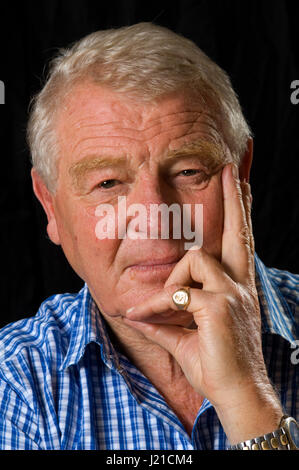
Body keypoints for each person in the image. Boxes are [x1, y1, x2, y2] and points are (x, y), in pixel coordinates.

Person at [0, 22, 298, 451]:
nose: (155, 217)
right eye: (107, 184)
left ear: (243, 178)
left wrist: (246, 396)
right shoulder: (16, 384)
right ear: (50, 205)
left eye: (188, 171)